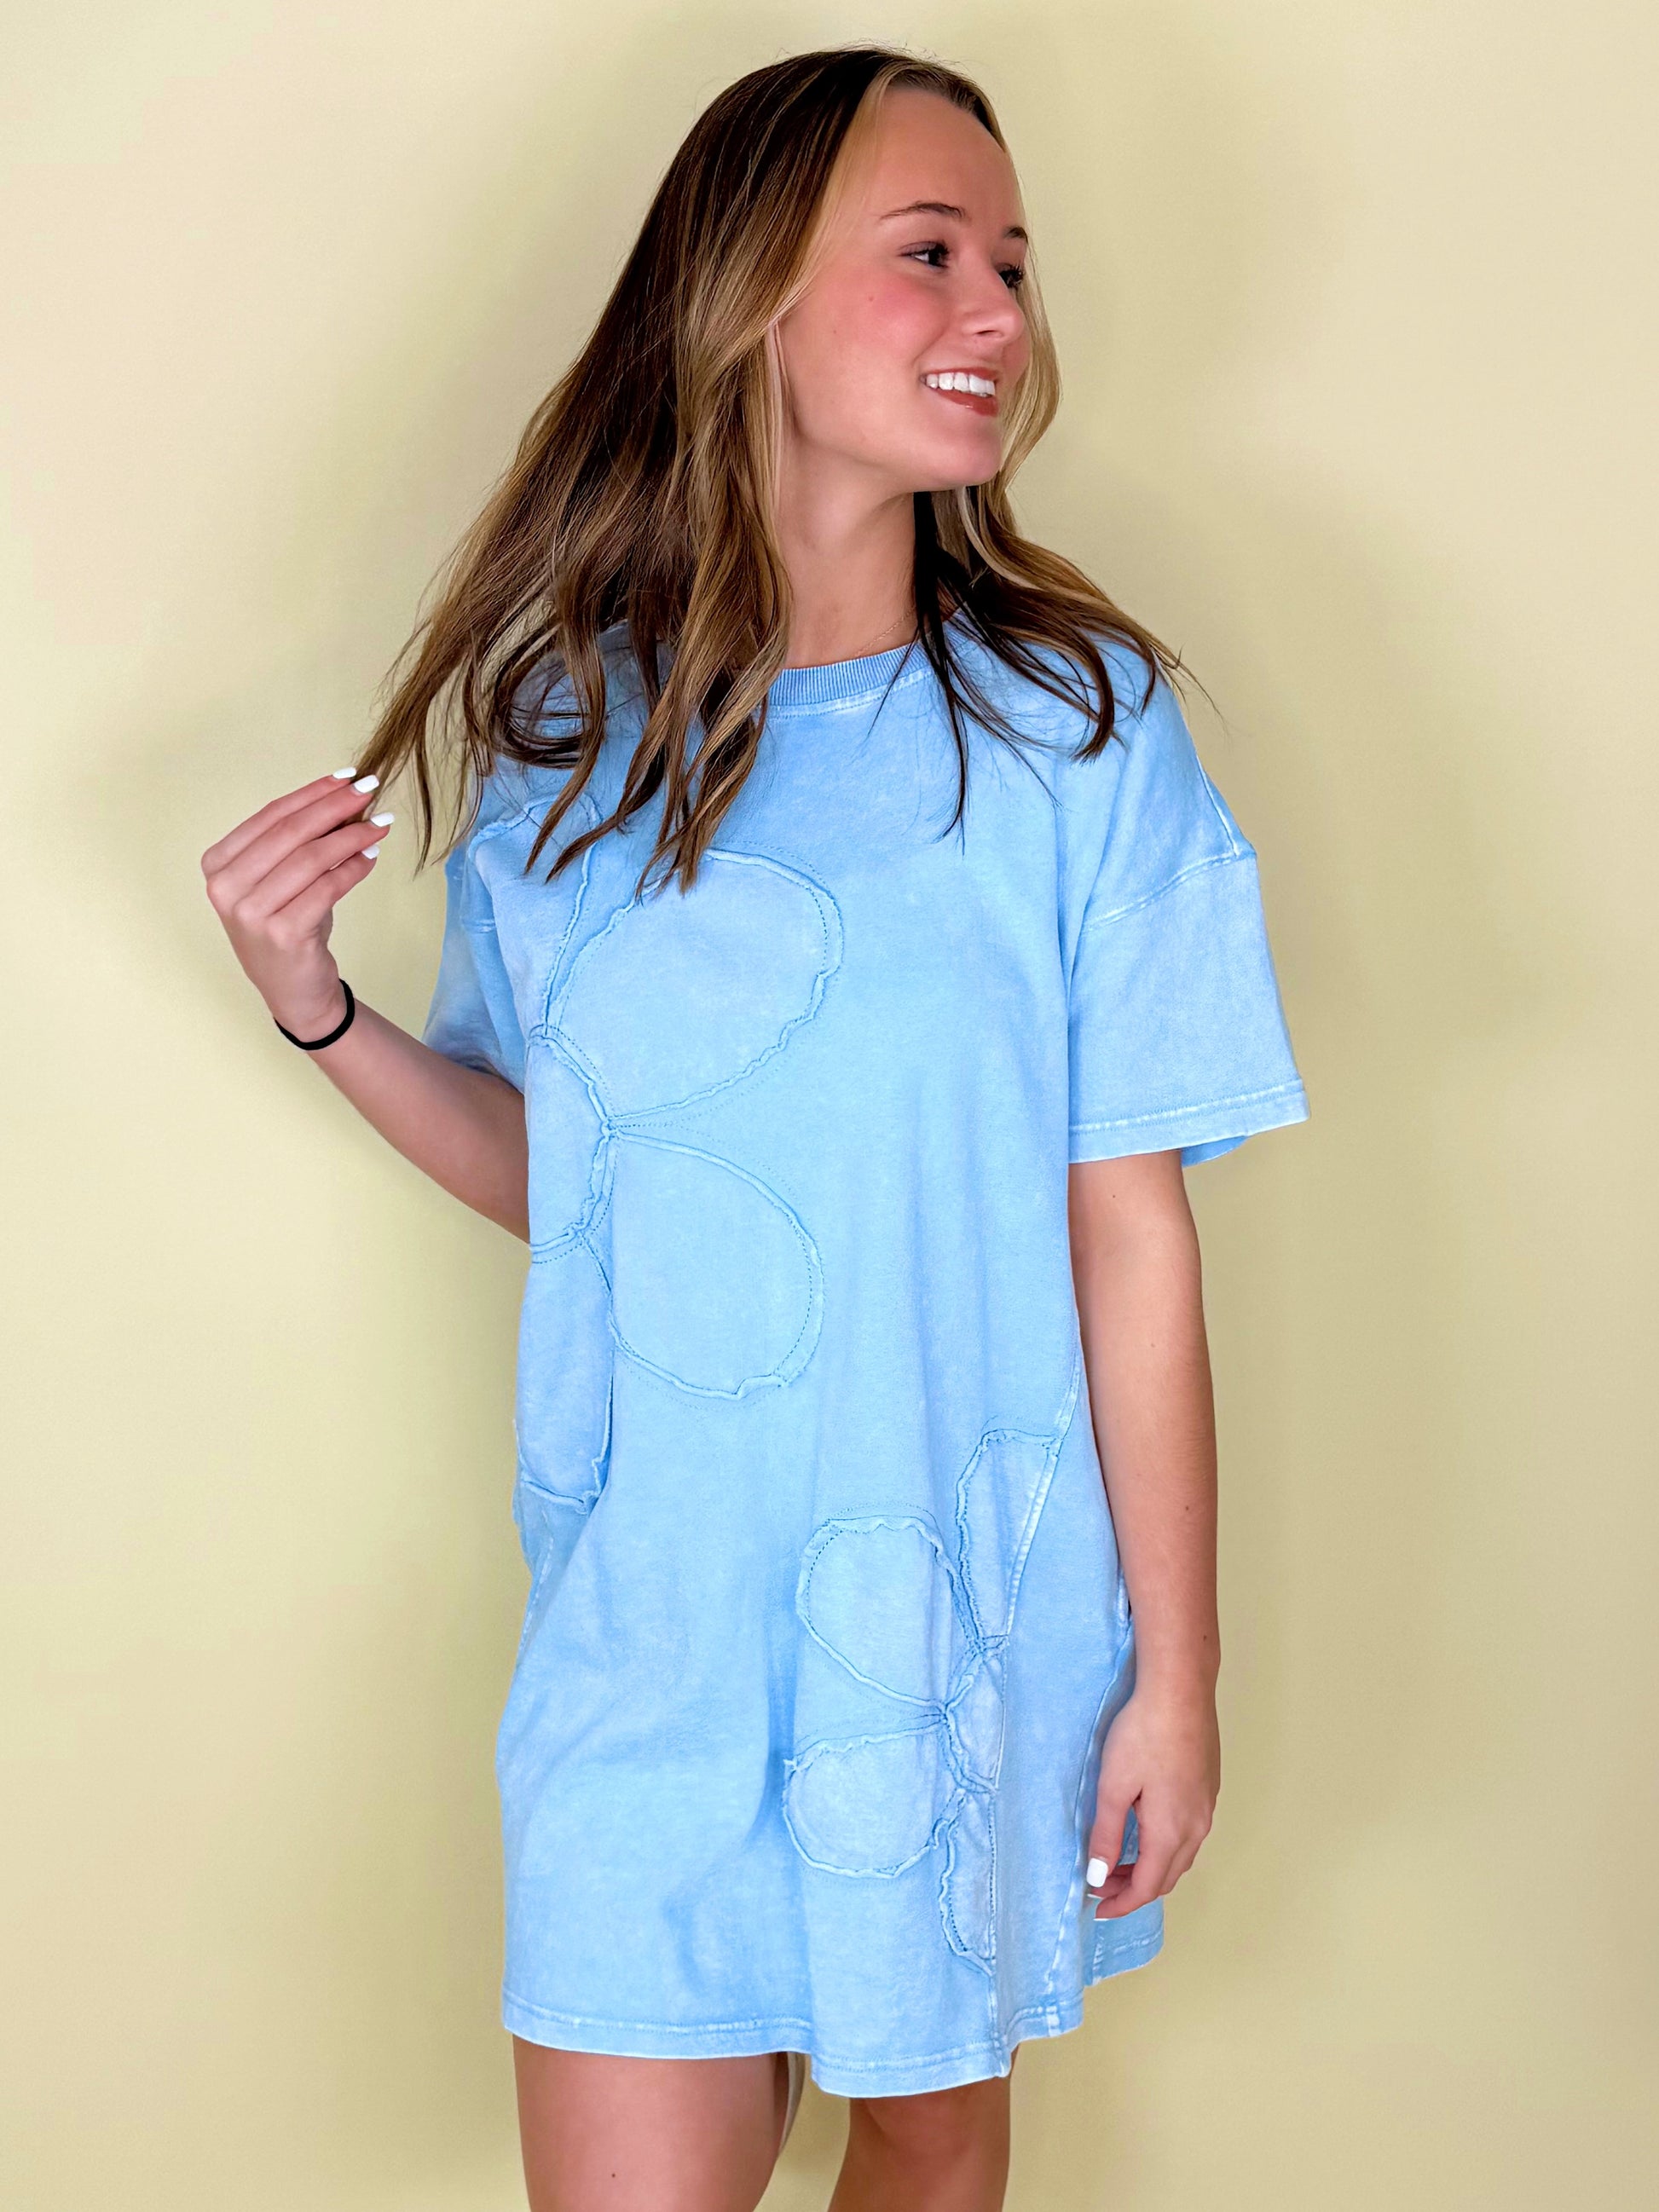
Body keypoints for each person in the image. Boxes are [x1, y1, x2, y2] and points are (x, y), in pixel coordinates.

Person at [201, 44, 1309, 2212]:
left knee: (929, 2144)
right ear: (748, 299)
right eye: (929, 254)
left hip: (961, 1629)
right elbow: (592, 1192)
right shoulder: (566, 742)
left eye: (1012, 263)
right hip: (651, 1636)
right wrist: (313, 1007)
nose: (996, 311)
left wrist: (1174, 1679)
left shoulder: (1076, 735)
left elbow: (1129, 1234)